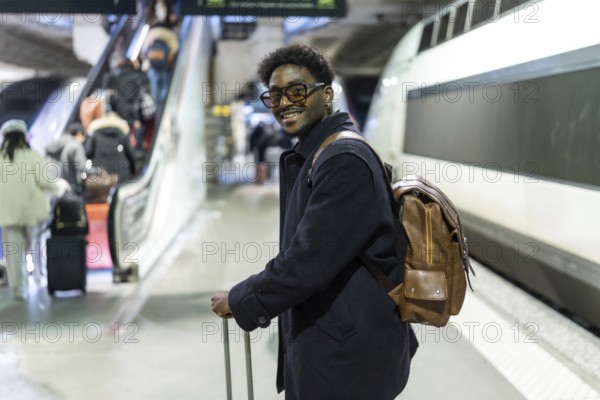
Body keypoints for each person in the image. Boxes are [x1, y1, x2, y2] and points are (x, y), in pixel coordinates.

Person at [211, 44, 418, 399]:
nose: (283, 103)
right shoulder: (317, 154)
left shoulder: (343, 160)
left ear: (325, 94)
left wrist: (243, 298)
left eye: (296, 90)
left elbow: (309, 261)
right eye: (274, 96)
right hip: (337, 341)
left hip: (348, 356)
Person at [0, 119, 70, 300]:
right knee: (37, 247)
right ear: (23, 136)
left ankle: (19, 290)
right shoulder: (32, 156)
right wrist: (61, 185)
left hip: (8, 213)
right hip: (32, 211)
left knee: (14, 253)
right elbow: (45, 181)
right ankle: (40, 278)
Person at [86, 94, 137, 183]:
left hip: (101, 177)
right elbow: (131, 156)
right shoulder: (121, 133)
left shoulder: (95, 135)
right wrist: (133, 172)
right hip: (122, 175)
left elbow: (87, 152)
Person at [45, 122, 87, 195]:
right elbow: (83, 167)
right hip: (66, 188)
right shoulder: (76, 146)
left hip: (49, 184)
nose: (83, 141)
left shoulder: (57, 143)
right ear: (79, 134)